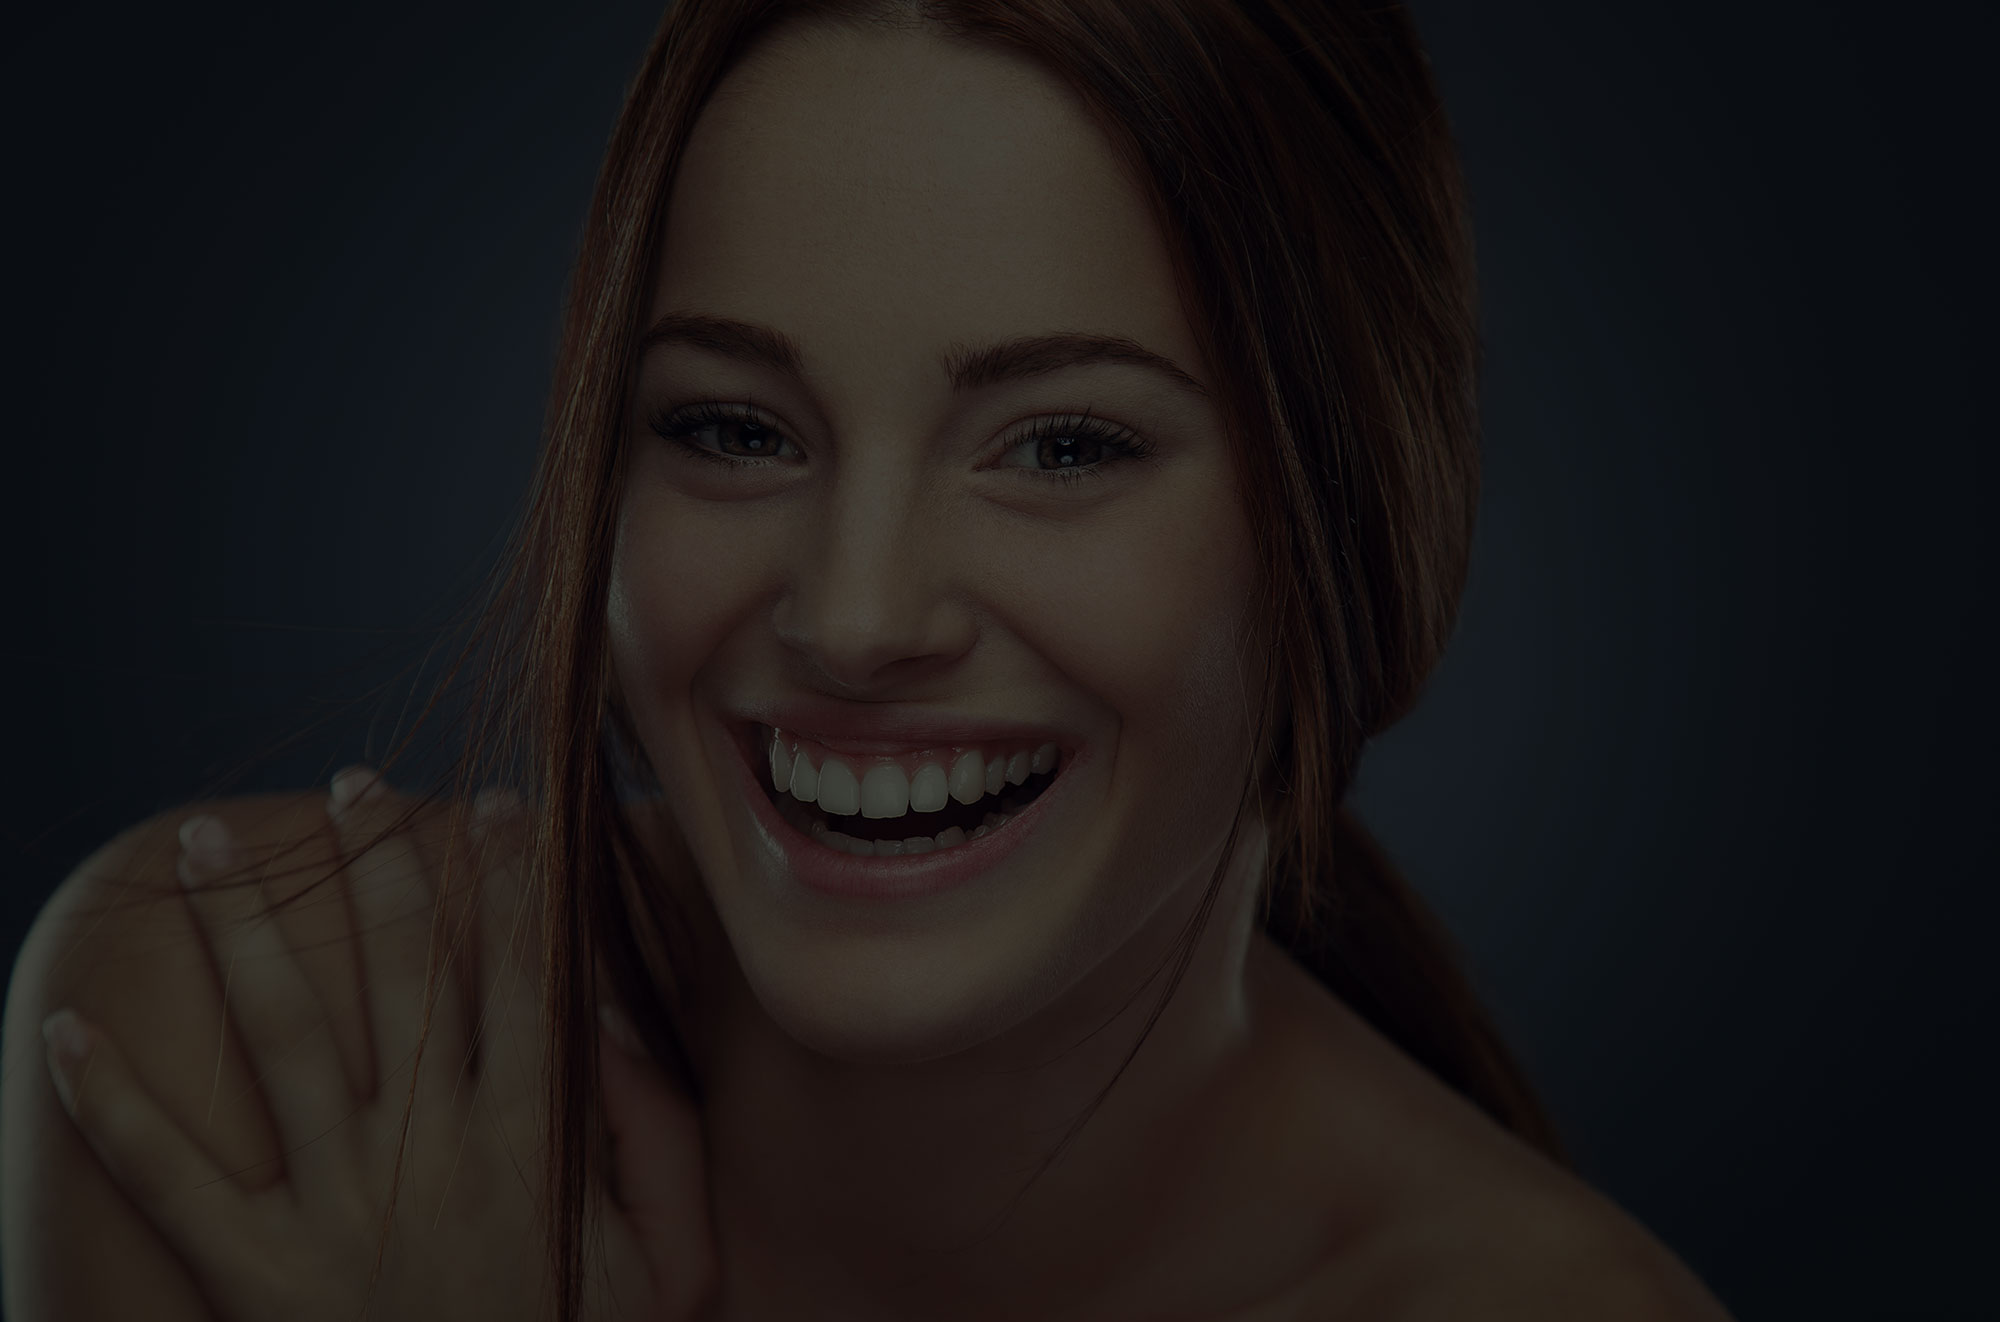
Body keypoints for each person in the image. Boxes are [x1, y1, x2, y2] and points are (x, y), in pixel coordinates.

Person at [2, 2, 1740, 1319]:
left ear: (1350, 536)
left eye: (1062, 447)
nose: (852, 613)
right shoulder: (250, 1042)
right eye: (735, 428)